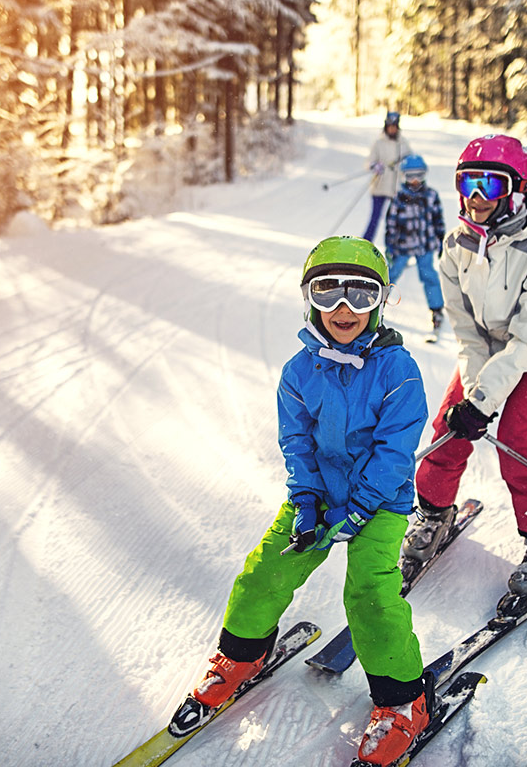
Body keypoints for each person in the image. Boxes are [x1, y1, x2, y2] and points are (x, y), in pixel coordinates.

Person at [169, 236, 432, 765]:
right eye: (328, 291)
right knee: (267, 569)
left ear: (380, 301)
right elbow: (297, 442)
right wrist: (307, 500)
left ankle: (405, 700)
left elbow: (396, 450)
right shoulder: (298, 371)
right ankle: (241, 656)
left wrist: (361, 507)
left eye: (361, 294)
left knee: (370, 596)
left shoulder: (398, 371)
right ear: (309, 298)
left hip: (378, 505)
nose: (344, 308)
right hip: (319, 495)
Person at [404, 134, 527, 598]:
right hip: (485, 345)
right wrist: (475, 398)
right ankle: (433, 514)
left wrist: (485, 403)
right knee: (449, 425)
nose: (477, 198)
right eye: (468, 183)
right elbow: (464, 329)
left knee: (516, 435)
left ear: (518, 189)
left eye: (491, 185)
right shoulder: (455, 245)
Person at [384, 154, 446, 330]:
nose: (415, 180)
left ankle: (436, 309)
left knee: (428, 275)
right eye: (410, 176)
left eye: (419, 175)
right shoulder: (398, 197)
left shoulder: (431, 195)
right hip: (402, 246)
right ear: (404, 176)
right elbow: (391, 223)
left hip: (425, 245)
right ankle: (375, 305)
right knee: (391, 274)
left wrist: (441, 239)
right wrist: (390, 246)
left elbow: (438, 219)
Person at [362, 111, 412, 244]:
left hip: (395, 189)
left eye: (394, 126)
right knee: (374, 219)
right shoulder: (378, 143)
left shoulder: (403, 143)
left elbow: (410, 162)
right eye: (390, 126)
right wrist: (375, 166)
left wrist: (403, 166)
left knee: (396, 221)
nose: (392, 129)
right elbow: (368, 163)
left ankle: (396, 250)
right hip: (379, 187)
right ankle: (365, 245)